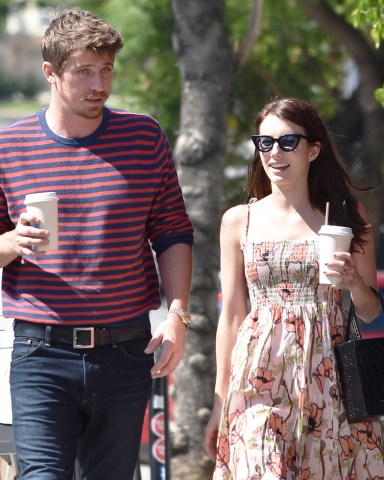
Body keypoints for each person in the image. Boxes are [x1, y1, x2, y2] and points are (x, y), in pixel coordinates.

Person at [0, 8, 194, 480]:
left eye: (105, 69)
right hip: (40, 351)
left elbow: (172, 231)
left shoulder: (143, 136)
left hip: (126, 352)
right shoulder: (8, 146)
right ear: (50, 72)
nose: (99, 84)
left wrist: (176, 315)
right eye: (84, 70)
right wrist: (10, 241)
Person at [204, 97, 384, 479]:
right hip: (258, 377)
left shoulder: (346, 214)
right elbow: (233, 314)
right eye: (265, 142)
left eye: (288, 142)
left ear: (313, 149)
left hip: (330, 376)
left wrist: (353, 281)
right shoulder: (239, 220)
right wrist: (220, 399)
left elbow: (370, 311)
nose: (274, 152)